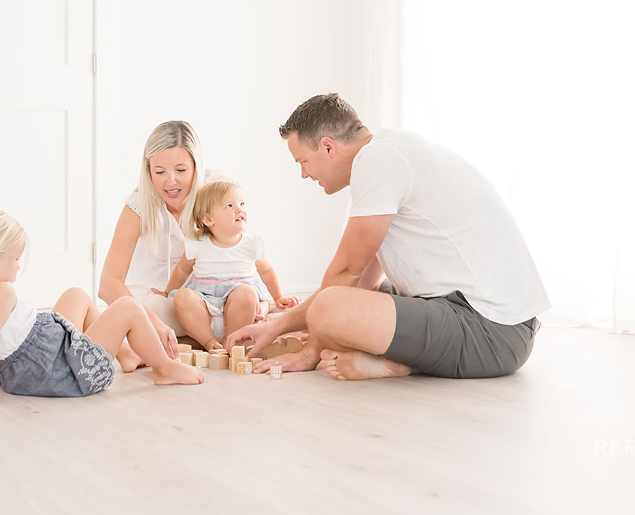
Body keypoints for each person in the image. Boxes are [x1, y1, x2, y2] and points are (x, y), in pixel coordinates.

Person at [225, 93, 549, 381]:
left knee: (328, 308)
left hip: (493, 331)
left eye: (304, 162)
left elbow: (343, 274)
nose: (304, 174)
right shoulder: (389, 153)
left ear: (328, 146)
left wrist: (311, 352)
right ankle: (399, 360)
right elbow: (360, 283)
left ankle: (401, 365)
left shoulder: (378, 161)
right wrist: (277, 326)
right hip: (492, 322)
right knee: (342, 301)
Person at [0, 205, 203, 411]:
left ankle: (126, 354)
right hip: (58, 369)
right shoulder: (0, 293)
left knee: (76, 295)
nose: (18, 266)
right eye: (15, 259)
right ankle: (164, 367)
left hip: (38, 359)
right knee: (128, 307)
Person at [98, 120, 220, 359]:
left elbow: (240, 250)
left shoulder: (217, 190)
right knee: (136, 304)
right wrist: (151, 321)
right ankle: (188, 339)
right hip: (161, 304)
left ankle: (173, 341)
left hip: (208, 301)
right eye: (159, 172)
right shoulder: (138, 206)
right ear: (148, 170)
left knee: (239, 300)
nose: (170, 181)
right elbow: (108, 285)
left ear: (196, 166)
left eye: (181, 170)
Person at [161, 180, 299, 351]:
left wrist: (278, 297)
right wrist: (167, 292)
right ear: (208, 219)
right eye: (229, 205)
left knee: (246, 293)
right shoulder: (197, 244)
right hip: (204, 299)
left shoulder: (251, 243)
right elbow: (182, 270)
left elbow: (267, 270)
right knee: (183, 297)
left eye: (242, 204)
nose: (239, 209)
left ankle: (231, 340)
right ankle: (208, 341)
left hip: (239, 300)